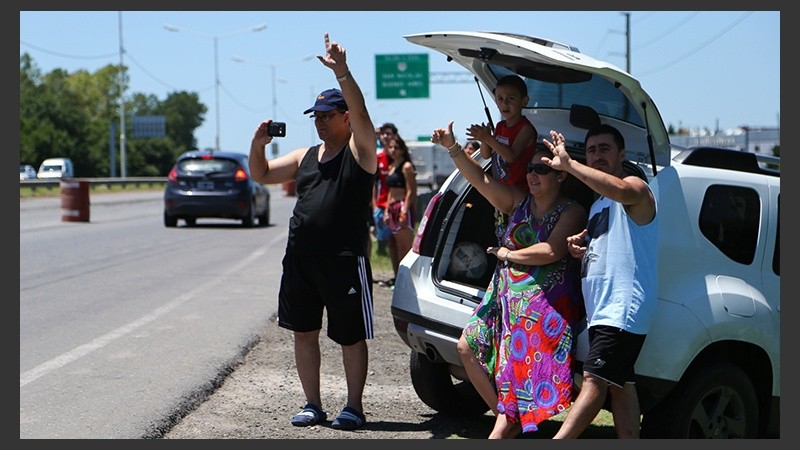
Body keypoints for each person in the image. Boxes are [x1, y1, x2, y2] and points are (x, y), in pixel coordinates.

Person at [248, 32, 376, 432]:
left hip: (343, 260)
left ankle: (353, 407)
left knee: (350, 336)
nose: (319, 122)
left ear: (345, 118)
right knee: (304, 333)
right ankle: (312, 404)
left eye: (326, 116)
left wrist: (343, 73)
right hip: (301, 261)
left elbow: (364, 114)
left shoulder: (360, 152)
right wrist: (258, 144)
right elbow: (262, 174)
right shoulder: (305, 155)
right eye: (315, 117)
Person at [432, 121, 587, 439]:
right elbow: (481, 180)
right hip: (502, 300)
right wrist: (453, 148)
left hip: (542, 309)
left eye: (542, 169)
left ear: (560, 174)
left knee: (506, 411)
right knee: (466, 347)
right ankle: (508, 415)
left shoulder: (572, 210)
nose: (532, 174)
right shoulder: (519, 202)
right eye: (530, 168)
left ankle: (507, 422)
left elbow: (551, 251)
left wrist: (507, 254)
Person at [542, 124, 658, 439]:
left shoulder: (636, 187)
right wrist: (581, 245)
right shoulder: (598, 205)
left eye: (605, 149)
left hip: (622, 307)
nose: (597, 155)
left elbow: (620, 191)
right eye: (591, 150)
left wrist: (569, 165)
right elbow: (606, 243)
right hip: (602, 308)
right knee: (622, 385)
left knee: (594, 381)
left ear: (622, 154)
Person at [466, 74, 538, 243]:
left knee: (517, 238)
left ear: (524, 100)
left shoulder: (525, 128)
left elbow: (512, 156)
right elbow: (486, 155)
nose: (504, 103)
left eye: (511, 98)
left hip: (519, 195)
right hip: (500, 192)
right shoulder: (500, 127)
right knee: (501, 235)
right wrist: (485, 139)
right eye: (500, 98)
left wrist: (489, 139)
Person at [383, 135, 417, 281]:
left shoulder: (406, 167)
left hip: (403, 206)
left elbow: (411, 191)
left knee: (405, 247)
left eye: (396, 147)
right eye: (390, 147)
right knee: (394, 245)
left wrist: (404, 211)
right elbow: (390, 190)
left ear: (402, 149)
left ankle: (407, 279)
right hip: (392, 207)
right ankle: (397, 278)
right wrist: (386, 210)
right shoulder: (391, 167)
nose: (393, 150)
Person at [372, 123, 397, 260]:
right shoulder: (378, 157)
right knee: (386, 242)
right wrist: (374, 205)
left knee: (397, 242)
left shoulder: (400, 156)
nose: (386, 137)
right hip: (381, 205)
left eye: (389, 134)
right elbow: (374, 183)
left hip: (397, 204)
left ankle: (399, 276)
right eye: (384, 134)